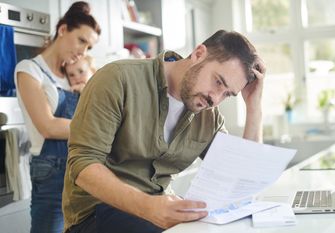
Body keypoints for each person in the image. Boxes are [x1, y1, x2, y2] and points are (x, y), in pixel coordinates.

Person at [62, 30, 266, 233]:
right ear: (198, 54)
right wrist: (148, 207)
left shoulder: (209, 116)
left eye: (227, 94)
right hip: (96, 214)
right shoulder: (118, 78)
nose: (215, 99)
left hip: (155, 213)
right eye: (218, 82)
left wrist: (254, 106)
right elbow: (83, 165)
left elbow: (239, 178)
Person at [13, 2, 100, 233]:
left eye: (89, 46)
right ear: (63, 30)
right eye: (81, 40)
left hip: (83, 167)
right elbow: (48, 126)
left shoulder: (74, 75)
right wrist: (100, 129)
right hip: (51, 170)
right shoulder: (29, 70)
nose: (84, 51)